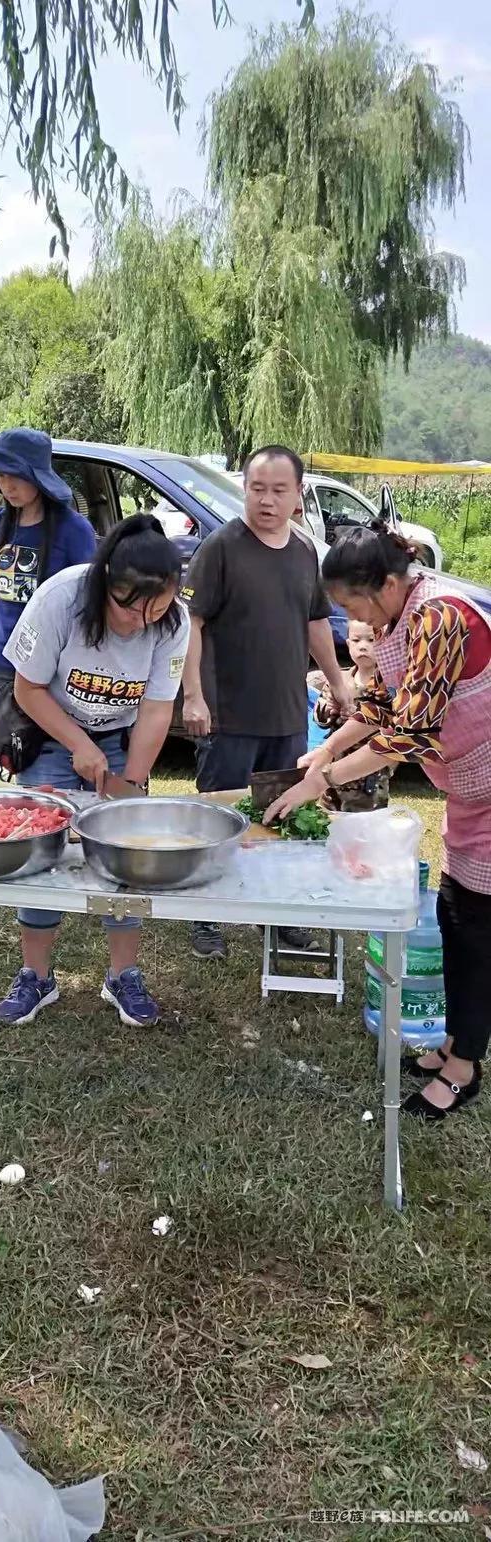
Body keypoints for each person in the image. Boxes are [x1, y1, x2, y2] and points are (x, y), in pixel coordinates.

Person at [265, 521, 491, 1120]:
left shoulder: (441, 619)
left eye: (351, 602)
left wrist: (325, 779)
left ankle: (465, 1068)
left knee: (477, 927)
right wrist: (327, 750)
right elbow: (380, 707)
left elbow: (407, 734)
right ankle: (453, 1046)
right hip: (472, 787)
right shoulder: (401, 617)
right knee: (452, 910)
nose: (349, 617)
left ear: (389, 581)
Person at [0, 514, 190, 1030]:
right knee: (42, 853)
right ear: (106, 582)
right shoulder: (61, 599)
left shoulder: (174, 623)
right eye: (129, 604)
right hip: (53, 729)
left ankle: (122, 975)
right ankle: (36, 975)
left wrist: (133, 786)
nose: (141, 619)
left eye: (157, 605)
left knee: (127, 859)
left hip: (122, 738)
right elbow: (27, 690)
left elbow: (155, 709)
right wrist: (78, 744)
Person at [181, 444, 354, 958]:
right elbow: (191, 623)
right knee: (220, 815)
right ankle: (207, 914)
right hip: (227, 711)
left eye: (279, 490)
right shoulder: (220, 548)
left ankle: (276, 916)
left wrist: (338, 683)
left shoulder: (304, 550)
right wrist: (194, 694)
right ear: (245, 489)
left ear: (297, 495)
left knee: (283, 816)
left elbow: (315, 622)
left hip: (285, 714)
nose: (266, 500)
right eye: (257, 488)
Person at [0, 428, 96, 754]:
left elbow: (89, 606)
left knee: (44, 770)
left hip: (51, 673)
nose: (7, 485)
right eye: (0, 474)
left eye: (16, 475)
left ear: (39, 477)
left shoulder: (75, 530)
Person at [310, 619, 394, 812]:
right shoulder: (339, 680)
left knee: (364, 824)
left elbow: (391, 727)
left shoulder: (387, 685)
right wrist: (328, 708)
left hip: (369, 773)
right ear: (348, 644)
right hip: (332, 765)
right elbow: (320, 721)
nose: (363, 647)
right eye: (356, 640)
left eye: (371, 640)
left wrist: (357, 716)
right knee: (328, 815)